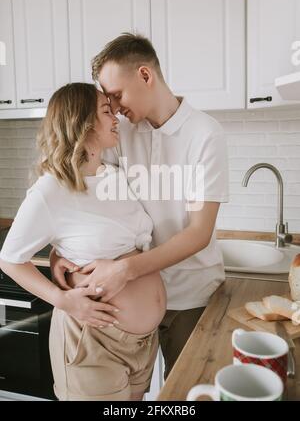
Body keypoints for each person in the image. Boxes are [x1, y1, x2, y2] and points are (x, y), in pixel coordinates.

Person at [51, 33, 229, 381]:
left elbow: (198, 233)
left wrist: (126, 270)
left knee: (185, 395)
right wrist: (61, 251)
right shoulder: (122, 133)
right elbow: (87, 192)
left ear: (145, 75)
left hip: (191, 299)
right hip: (131, 306)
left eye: (116, 95)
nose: (114, 108)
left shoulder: (205, 135)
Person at [0, 82, 167, 401]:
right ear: (81, 122)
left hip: (142, 343)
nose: (116, 116)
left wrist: (55, 257)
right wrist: (60, 299)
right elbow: (9, 259)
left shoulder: (112, 176)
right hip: (92, 344)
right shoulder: (51, 190)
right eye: (106, 111)